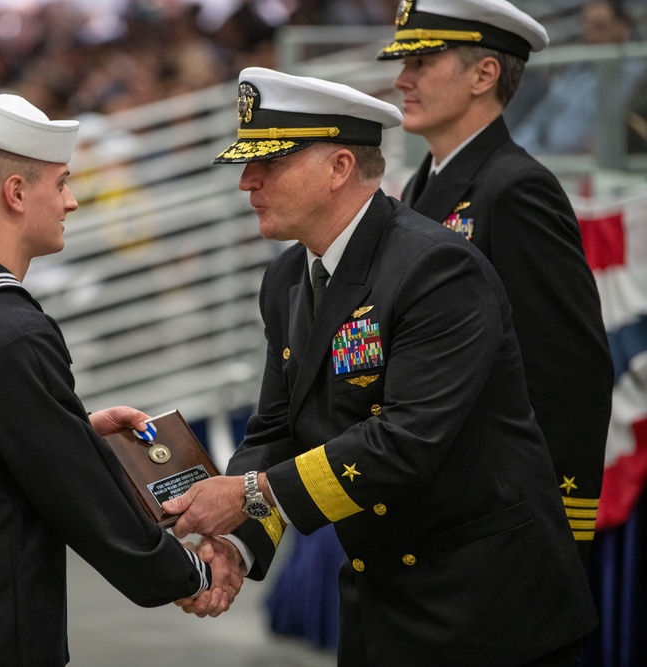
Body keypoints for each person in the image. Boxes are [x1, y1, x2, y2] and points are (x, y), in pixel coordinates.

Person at [161, 67, 598, 665]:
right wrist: (238, 540)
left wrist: (250, 494)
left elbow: (404, 441)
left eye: (270, 163)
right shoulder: (288, 277)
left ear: (341, 167)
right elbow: (276, 428)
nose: (247, 181)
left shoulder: (436, 268)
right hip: (381, 595)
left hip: (488, 605)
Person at [0, 92, 243, 666]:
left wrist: (73, 428)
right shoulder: (9, 329)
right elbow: (82, 498)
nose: (73, 201)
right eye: (61, 183)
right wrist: (186, 573)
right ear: (15, 193)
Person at [376, 0, 614, 564]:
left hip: (498, 517)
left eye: (423, 62)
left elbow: (570, 370)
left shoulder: (516, 188)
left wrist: (555, 518)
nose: (401, 78)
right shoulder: (423, 186)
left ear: (484, 75)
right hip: (439, 498)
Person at [511, 0, 645, 155]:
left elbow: (612, 135)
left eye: (600, 27)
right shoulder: (572, 71)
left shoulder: (637, 78)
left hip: (586, 169)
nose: (591, 36)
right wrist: (512, 152)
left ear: (622, 26)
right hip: (544, 161)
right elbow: (538, 119)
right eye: (586, 27)